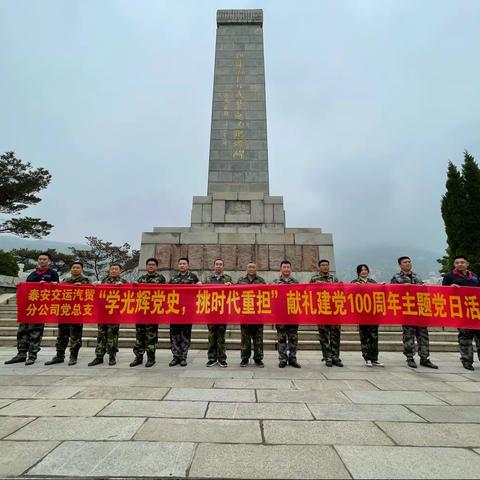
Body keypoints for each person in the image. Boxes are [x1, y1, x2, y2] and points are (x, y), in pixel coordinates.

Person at [5, 252, 59, 366]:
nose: (42, 261)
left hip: (41, 307)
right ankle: (21, 354)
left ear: (49, 261)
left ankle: (32, 355)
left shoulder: (53, 274)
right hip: (28, 307)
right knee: (22, 331)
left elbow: (57, 289)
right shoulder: (32, 274)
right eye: (40, 259)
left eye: (45, 259)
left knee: (35, 332)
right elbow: (27, 287)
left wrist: (48, 285)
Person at [391, 256, 438, 369]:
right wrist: (402, 287)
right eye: (405, 262)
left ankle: (425, 358)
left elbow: (424, 292)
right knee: (409, 335)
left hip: (420, 310)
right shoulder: (396, 277)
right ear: (400, 265)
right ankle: (410, 358)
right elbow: (392, 292)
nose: (408, 263)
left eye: (409, 262)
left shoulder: (417, 276)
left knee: (423, 335)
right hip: (407, 310)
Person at [45, 261, 90, 366]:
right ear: (71, 269)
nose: (75, 269)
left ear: (81, 270)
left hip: (77, 311)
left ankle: (73, 356)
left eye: (78, 268)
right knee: (62, 335)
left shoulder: (86, 281)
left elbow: (91, 294)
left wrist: (83, 287)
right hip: (64, 310)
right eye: (73, 267)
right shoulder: (65, 280)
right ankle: (59, 355)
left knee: (75, 335)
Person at [442, 255, 480, 370]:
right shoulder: (449, 276)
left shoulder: (474, 276)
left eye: (462, 262)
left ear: (467, 264)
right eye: (457, 262)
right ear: (454, 264)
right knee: (465, 337)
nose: (460, 264)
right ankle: (467, 360)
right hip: (461, 312)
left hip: (475, 311)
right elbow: (443, 292)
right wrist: (450, 288)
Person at [130, 258, 166, 368]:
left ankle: (151, 358)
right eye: (149, 264)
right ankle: (138, 357)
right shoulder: (141, 278)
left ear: (156, 267)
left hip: (153, 312)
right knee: (139, 335)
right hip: (141, 311)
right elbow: (135, 295)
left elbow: (164, 293)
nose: (150, 266)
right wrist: (135, 287)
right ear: (146, 267)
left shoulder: (161, 278)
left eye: (153, 265)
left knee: (151, 336)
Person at [88, 264, 126, 367]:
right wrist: (95, 285)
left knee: (112, 335)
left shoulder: (124, 282)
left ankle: (112, 356)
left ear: (120, 271)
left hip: (114, 313)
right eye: (112, 269)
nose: (113, 271)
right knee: (101, 335)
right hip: (102, 313)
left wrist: (122, 287)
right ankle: (99, 356)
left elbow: (128, 295)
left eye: (116, 269)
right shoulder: (102, 281)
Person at [310, 259, 343, 367]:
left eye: (326, 265)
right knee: (324, 336)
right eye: (323, 265)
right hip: (321, 311)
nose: (325, 267)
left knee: (335, 335)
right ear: (319, 267)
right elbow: (310, 293)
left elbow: (339, 293)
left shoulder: (334, 278)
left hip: (334, 311)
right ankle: (327, 357)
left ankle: (335, 356)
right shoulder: (314, 279)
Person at [168, 257, 200, 367]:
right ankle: (175, 356)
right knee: (174, 335)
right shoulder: (173, 278)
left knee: (185, 334)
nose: (182, 265)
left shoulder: (193, 277)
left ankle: (183, 357)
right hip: (175, 310)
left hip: (187, 311)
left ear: (188, 265)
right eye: (180, 263)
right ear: (178, 265)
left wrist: (199, 285)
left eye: (184, 263)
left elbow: (199, 290)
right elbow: (167, 292)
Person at [351, 264, 384, 367]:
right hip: (362, 314)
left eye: (365, 270)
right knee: (365, 337)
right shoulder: (354, 283)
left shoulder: (373, 282)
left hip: (373, 314)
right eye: (362, 270)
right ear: (358, 272)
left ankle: (375, 358)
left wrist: (382, 286)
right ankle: (367, 358)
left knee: (374, 337)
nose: (364, 271)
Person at [204, 259, 232, 368]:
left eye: (220, 264)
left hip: (222, 311)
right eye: (217, 264)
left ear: (223, 267)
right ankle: (211, 358)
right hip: (210, 311)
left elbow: (233, 293)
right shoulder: (208, 279)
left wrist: (231, 285)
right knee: (211, 336)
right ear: (214, 266)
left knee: (221, 336)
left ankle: (222, 358)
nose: (218, 266)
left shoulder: (228, 279)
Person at [273, 260, 301, 368]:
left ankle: (292, 359)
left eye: (288, 267)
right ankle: (283, 359)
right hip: (280, 314)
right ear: (280, 269)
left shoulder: (296, 282)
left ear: (291, 269)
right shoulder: (275, 282)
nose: (286, 269)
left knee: (293, 338)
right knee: (281, 338)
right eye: (284, 267)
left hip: (293, 314)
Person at [238, 262, 265, 367]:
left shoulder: (261, 281)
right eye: (249, 267)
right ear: (246, 268)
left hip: (257, 314)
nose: (251, 269)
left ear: (256, 269)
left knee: (258, 338)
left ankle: (258, 358)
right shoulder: (240, 281)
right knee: (245, 339)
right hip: (245, 314)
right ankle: (245, 358)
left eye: (253, 267)